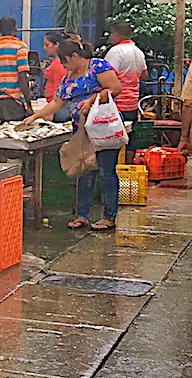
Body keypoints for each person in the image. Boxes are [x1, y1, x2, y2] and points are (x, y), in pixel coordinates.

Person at [23, 40, 123, 231]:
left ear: (75, 56)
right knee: (84, 171)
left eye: (65, 60)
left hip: (104, 130)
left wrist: (93, 99)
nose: (63, 65)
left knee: (106, 171)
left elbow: (115, 88)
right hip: (82, 132)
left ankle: (109, 217)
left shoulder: (97, 66)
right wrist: (35, 116)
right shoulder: (68, 77)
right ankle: (82, 215)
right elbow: (57, 103)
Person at [104, 22, 147, 164]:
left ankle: (114, 168)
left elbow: (106, 75)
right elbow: (144, 74)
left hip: (116, 104)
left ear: (116, 33)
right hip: (132, 103)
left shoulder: (115, 52)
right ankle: (128, 167)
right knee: (130, 138)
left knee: (113, 140)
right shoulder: (138, 52)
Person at [0, 16, 33, 122]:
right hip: (14, 102)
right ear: (15, 28)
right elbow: (22, 77)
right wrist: (28, 104)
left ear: (0, 30)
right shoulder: (20, 47)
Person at [43, 31, 71, 123]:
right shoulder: (57, 61)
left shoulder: (59, 63)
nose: (44, 48)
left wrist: (52, 111)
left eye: (47, 45)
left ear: (56, 44)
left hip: (58, 107)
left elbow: (58, 88)